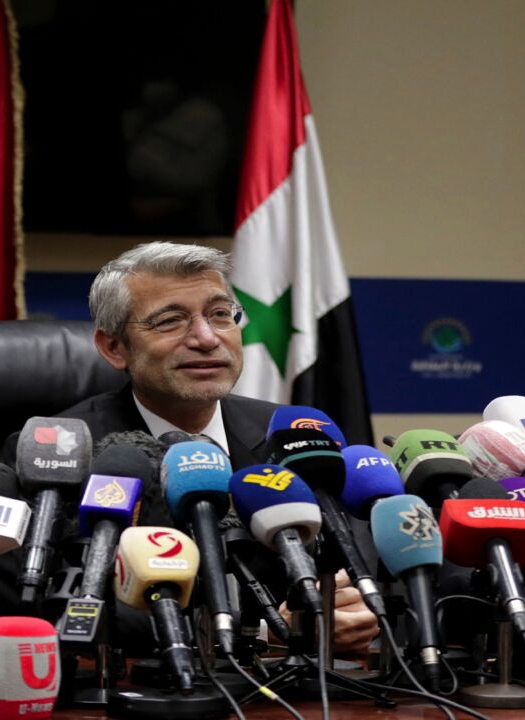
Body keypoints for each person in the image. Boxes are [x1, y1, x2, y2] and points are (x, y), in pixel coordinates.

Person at [60, 241, 379, 655]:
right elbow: (63, 608)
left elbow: (354, 567)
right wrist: (271, 633)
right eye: (170, 321)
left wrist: (345, 607)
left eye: (220, 314)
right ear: (114, 347)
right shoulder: (68, 454)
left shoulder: (296, 436)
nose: (207, 338)